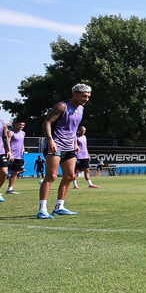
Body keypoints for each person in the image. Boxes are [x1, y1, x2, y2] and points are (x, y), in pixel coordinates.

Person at [37, 83, 92, 218]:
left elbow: (73, 128)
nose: (86, 99)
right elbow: (47, 122)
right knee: (51, 176)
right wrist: (50, 140)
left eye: (88, 97)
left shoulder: (81, 109)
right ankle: (42, 209)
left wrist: (74, 143)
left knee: (70, 176)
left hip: (69, 147)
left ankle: (59, 206)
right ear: (75, 94)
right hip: (55, 145)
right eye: (84, 96)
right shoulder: (62, 106)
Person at [5, 121, 26, 194]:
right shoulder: (11, 132)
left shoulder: (23, 133)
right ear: (15, 124)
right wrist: (9, 153)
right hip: (10, 156)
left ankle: (10, 189)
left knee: (15, 173)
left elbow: (22, 142)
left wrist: (23, 148)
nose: (21, 126)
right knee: (4, 172)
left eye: (23, 125)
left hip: (19, 156)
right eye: (20, 124)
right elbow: (7, 143)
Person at [0, 119, 10, 203]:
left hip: (1, 152)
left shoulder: (2, 122)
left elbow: (5, 136)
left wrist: (8, 150)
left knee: (4, 172)